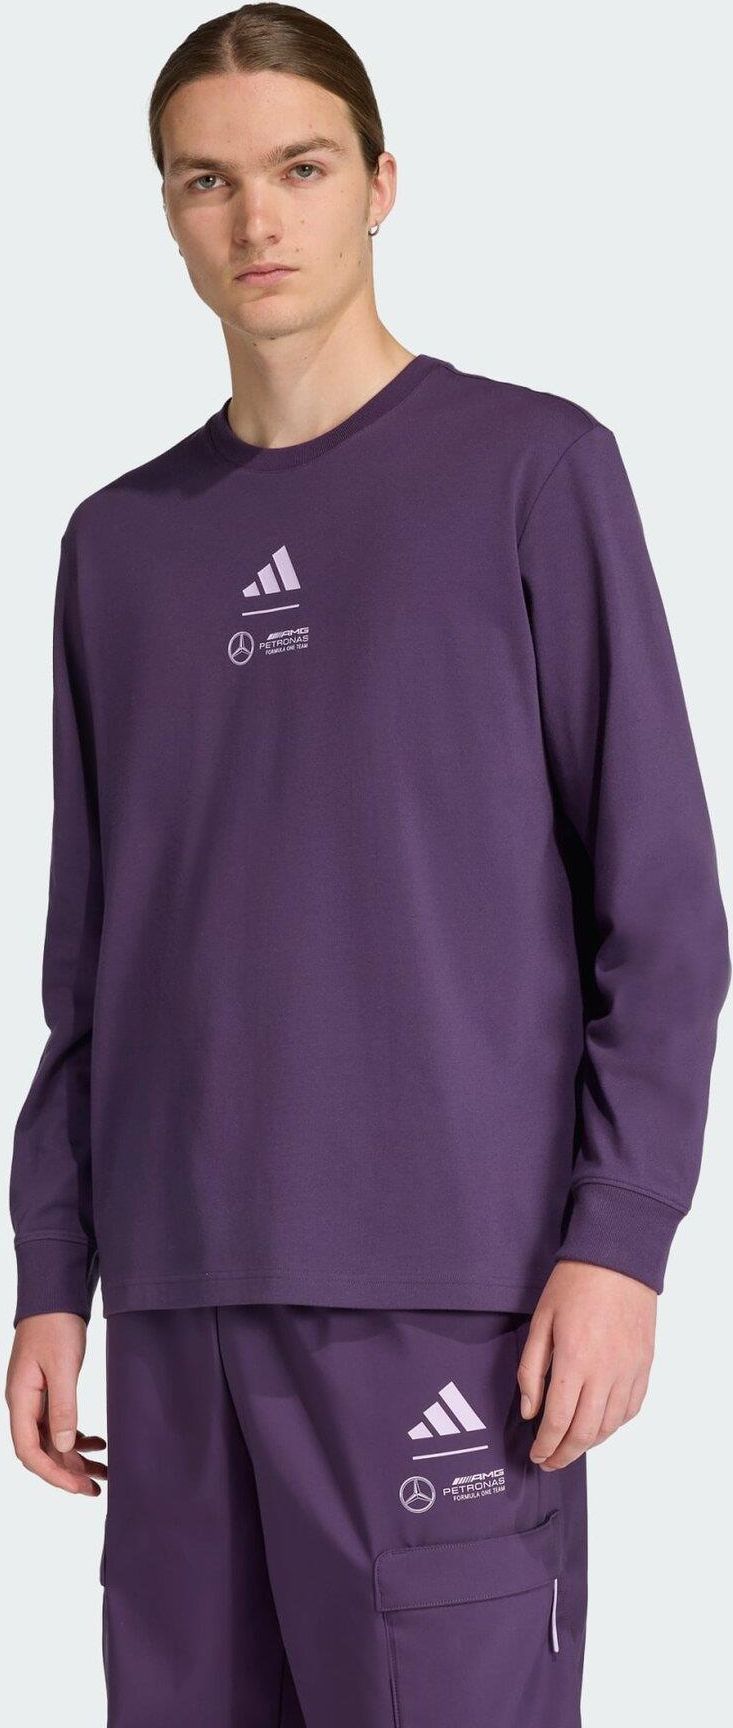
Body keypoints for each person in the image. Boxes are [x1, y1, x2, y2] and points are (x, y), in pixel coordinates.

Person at [5, 5, 730, 1724]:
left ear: (380, 184)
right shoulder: (117, 546)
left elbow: (660, 909)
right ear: (166, 210)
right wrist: (52, 1277)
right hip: (176, 1305)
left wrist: (619, 1242)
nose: (256, 219)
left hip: (448, 1297)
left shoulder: (530, 471)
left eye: (301, 169)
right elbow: (93, 961)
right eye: (207, 181)